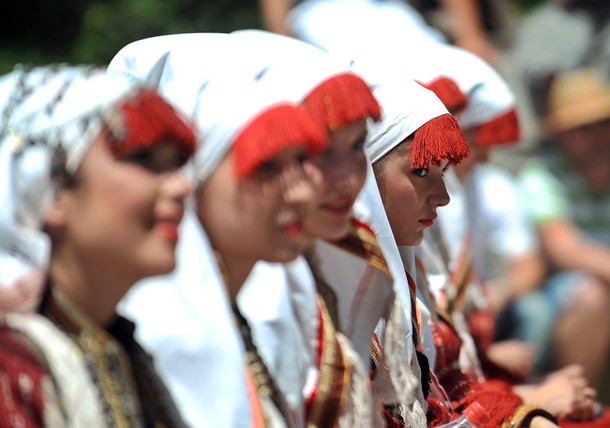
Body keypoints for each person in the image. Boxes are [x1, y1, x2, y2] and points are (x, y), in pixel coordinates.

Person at [359, 69, 559, 427]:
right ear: (366, 176)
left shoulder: (403, 266)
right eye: (421, 171)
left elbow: (437, 396)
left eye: (443, 171)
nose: (444, 197)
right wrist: (527, 405)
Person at [0, 65, 196, 426]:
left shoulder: (123, 351)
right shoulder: (11, 369)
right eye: (145, 159)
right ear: (54, 189)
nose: (182, 186)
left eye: (178, 163)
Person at [518, 66, 610, 386]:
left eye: (603, 123)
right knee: (592, 294)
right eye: (585, 127)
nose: (598, 135)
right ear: (561, 134)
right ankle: (579, 404)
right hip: (560, 291)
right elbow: (564, 249)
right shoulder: (540, 174)